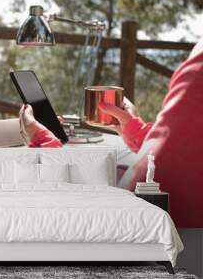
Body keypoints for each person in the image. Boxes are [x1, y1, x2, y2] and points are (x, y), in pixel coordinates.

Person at [19, 38, 203, 228]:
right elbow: (188, 153)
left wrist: (42, 144)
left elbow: (171, 177)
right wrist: (138, 133)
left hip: (130, 231)